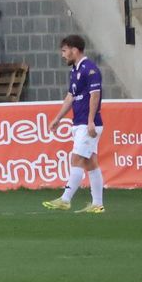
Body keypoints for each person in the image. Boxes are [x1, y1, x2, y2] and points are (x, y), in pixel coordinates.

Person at [42, 34, 107, 213]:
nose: (63, 55)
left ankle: (65, 199)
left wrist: (91, 120)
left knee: (76, 158)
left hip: (88, 123)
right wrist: (58, 118)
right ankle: (97, 204)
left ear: (74, 50)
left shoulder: (90, 69)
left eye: (64, 51)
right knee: (90, 163)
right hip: (80, 122)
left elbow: (95, 95)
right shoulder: (75, 71)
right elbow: (70, 97)